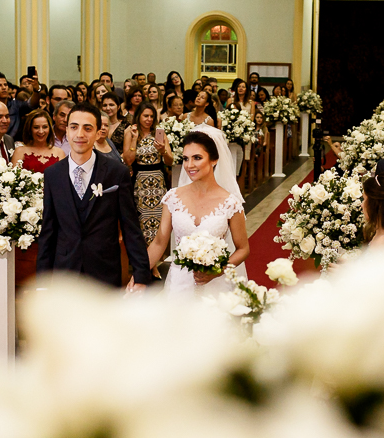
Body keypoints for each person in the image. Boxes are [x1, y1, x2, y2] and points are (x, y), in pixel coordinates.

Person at [37, 103, 151, 288]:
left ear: (98, 133)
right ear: (67, 130)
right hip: (65, 272)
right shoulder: (53, 174)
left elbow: (130, 227)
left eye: (87, 128)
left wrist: (140, 276)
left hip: (104, 270)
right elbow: (48, 232)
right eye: (74, 127)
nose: (80, 134)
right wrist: (42, 284)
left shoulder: (117, 172)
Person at [146, 130, 250, 295]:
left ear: (214, 160)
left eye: (197, 158)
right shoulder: (173, 197)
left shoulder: (230, 203)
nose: (189, 165)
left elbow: (243, 249)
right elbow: (159, 243)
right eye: (186, 158)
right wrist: (138, 274)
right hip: (178, 284)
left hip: (215, 285)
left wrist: (218, 271)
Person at [123, 104, 173, 246]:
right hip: (140, 182)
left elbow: (170, 161)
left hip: (158, 182)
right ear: (138, 116)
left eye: (152, 116)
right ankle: (145, 256)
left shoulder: (159, 133)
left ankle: (158, 256)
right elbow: (128, 160)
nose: (149, 119)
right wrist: (134, 139)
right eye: (146, 116)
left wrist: (163, 151)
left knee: (160, 221)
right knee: (142, 222)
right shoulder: (130, 132)